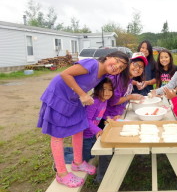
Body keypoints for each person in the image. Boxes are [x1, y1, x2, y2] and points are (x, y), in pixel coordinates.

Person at [37, 51, 129, 188]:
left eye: (121, 67)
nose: (117, 66)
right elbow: (65, 74)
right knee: (57, 135)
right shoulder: (92, 64)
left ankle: (78, 163)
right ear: (108, 57)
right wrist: (83, 95)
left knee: (79, 128)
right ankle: (61, 174)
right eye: (116, 61)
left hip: (74, 98)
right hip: (59, 95)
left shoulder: (104, 74)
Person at [95, 52, 148, 183]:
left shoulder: (128, 78)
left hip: (117, 114)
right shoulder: (116, 78)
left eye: (141, 67)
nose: (138, 68)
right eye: (135, 64)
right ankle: (101, 177)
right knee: (106, 145)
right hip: (107, 117)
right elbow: (112, 100)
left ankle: (133, 157)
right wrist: (130, 97)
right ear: (129, 64)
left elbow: (127, 88)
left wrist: (134, 84)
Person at [83, 78, 114, 162]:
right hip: (85, 135)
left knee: (91, 154)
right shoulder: (94, 102)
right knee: (85, 158)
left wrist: (108, 117)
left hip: (92, 133)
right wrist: (97, 130)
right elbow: (86, 120)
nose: (107, 92)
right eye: (104, 89)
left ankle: (75, 151)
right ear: (97, 89)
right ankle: (63, 157)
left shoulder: (104, 100)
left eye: (110, 89)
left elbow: (101, 112)